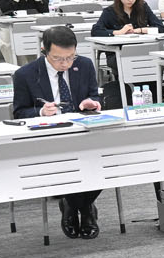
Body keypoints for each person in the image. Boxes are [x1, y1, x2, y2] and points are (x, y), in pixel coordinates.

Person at [11, 26, 105, 238]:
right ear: (44, 50)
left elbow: (94, 96)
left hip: (83, 131)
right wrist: (41, 112)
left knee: (104, 159)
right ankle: (85, 209)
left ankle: (74, 205)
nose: (65, 64)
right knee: (65, 161)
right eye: (58, 58)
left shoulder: (84, 65)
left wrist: (92, 103)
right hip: (49, 137)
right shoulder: (25, 74)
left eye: (70, 57)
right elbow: (19, 113)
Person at [90, 0, 159, 38]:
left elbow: (160, 27)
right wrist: (119, 32)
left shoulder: (143, 7)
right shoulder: (110, 11)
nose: (131, 0)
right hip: (118, 47)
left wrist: (140, 30)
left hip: (142, 46)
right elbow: (96, 31)